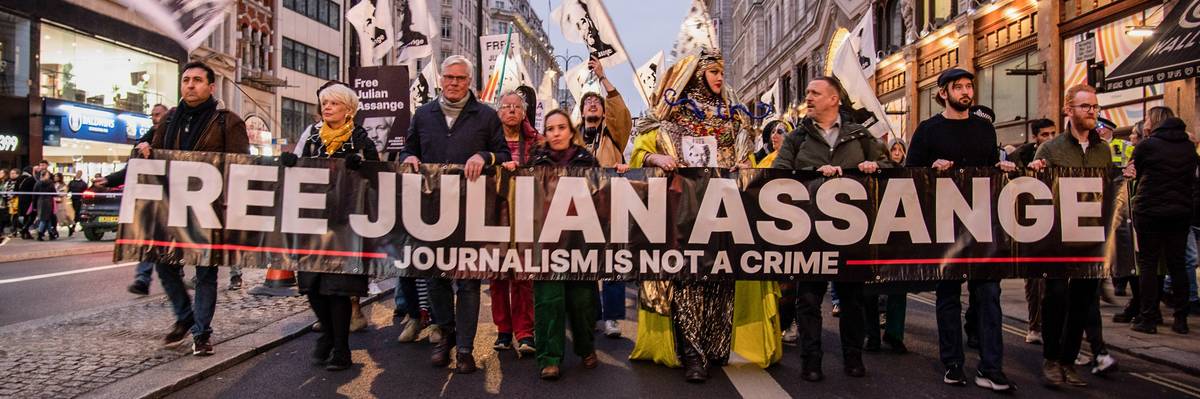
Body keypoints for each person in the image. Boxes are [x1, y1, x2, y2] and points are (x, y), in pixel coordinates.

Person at [628, 47, 774, 383]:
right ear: (697, 76)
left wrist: (743, 165)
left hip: (725, 211)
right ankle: (692, 353)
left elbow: (746, 155)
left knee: (722, 279)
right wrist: (656, 160)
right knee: (690, 280)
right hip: (686, 214)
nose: (720, 77)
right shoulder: (673, 117)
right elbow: (642, 151)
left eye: (722, 72)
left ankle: (715, 345)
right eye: (713, 72)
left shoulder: (734, 115)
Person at [96, 61, 251, 356]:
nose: (190, 85)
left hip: (209, 210)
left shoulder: (228, 121)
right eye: (186, 80)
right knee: (163, 264)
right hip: (171, 208)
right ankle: (185, 316)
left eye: (197, 80)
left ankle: (202, 333)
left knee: (206, 272)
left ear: (211, 87)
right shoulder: (168, 121)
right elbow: (149, 159)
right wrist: (115, 177)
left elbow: (242, 168)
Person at [398, 55, 511, 374]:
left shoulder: (486, 117)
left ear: (469, 82)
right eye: (449, 77)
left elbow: (502, 154)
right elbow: (408, 149)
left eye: (460, 78)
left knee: (469, 283)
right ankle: (443, 339)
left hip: (471, 212)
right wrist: (409, 159)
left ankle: (464, 350)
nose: (454, 83)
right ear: (441, 80)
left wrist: (484, 155)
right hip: (432, 212)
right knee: (436, 280)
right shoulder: (423, 115)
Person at [906, 68, 1017, 392]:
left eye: (969, 86)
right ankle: (953, 363)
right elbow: (910, 174)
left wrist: (1001, 169)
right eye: (959, 87)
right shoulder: (928, 131)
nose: (966, 92)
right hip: (945, 225)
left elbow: (987, 170)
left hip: (982, 225)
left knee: (989, 295)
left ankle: (991, 366)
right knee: (948, 296)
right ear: (943, 93)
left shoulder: (984, 128)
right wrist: (931, 170)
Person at [771, 75, 888, 381]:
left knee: (852, 299)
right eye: (807, 92)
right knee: (808, 299)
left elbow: (891, 167)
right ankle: (811, 361)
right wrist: (811, 173)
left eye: (815, 93)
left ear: (834, 99)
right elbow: (778, 175)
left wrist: (873, 168)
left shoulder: (859, 135)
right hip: (809, 233)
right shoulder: (798, 137)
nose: (807, 97)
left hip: (851, 235)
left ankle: (853, 358)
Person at [283, 81, 379, 371]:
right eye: (325, 103)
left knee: (338, 288)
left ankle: (341, 349)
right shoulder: (310, 135)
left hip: (345, 224)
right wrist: (289, 161)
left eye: (334, 103)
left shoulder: (361, 138)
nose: (327, 107)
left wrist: (360, 163)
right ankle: (328, 333)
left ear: (348, 110)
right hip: (312, 222)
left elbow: (376, 174)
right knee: (312, 285)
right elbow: (296, 165)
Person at [1025, 84, 1113, 386]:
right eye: (1085, 107)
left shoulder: (1103, 149)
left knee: (1084, 302)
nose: (1091, 112)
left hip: (1091, 239)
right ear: (1068, 109)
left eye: (1094, 107)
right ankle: (1051, 359)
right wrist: (1035, 171)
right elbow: (1036, 192)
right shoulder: (1050, 149)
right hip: (1058, 239)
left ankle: (1069, 360)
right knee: (1056, 298)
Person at [529, 108, 602, 380]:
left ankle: (585, 347)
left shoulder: (587, 161)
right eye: (550, 129)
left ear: (571, 132)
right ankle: (549, 358)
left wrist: (617, 173)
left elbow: (602, 195)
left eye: (561, 128)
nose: (556, 133)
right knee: (548, 302)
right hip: (546, 245)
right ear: (545, 134)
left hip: (578, 243)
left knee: (582, 301)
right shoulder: (535, 161)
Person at [1128, 106, 1198, 335]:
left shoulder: (1146, 146)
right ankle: (1181, 319)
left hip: (1150, 210)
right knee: (1177, 264)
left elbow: (1134, 171)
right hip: (1180, 212)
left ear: (1155, 121)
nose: (1145, 121)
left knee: (1148, 263)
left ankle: (1148, 318)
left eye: (1147, 117)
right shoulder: (1189, 148)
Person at [576, 56, 633, 338]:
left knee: (612, 263)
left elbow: (620, 110)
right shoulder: (573, 137)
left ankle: (611, 317)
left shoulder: (613, 134)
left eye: (597, 102)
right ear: (581, 110)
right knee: (583, 264)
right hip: (580, 208)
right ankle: (588, 314)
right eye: (588, 103)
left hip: (610, 204)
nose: (593, 104)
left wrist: (602, 78)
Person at [492, 90, 540, 356]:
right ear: (499, 111)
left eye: (516, 106)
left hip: (525, 215)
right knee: (497, 274)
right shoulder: (487, 140)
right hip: (495, 215)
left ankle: (525, 332)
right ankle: (503, 330)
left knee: (523, 276)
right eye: (506, 106)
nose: (511, 110)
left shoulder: (536, 142)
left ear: (524, 112)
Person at [32, 170, 57, 241]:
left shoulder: (37, 183)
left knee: (45, 218)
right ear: (45, 175)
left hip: (40, 202)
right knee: (46, 219)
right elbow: (54, 193)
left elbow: (34, 195)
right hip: (48, 202)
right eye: (48, 175)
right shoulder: (50, 183)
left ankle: (49, 234)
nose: (49, 176)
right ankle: (41, 234)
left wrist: (34, 205)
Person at [53, 173, 74, 237]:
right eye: (55, 176)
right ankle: (54, 230)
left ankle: (70, 227)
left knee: (63, 217)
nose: (55, 178)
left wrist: (58, 193)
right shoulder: (53, 184)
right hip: (54, 202)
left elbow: (64, 192)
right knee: (55, 217)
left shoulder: (63, 185)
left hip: (61, 203)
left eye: (57, 176)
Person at [67, 170, 87, 235]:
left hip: (79, 200)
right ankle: (71, 226)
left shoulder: (83, 183)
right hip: (72, 200)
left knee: (78, 213)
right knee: (72, 214)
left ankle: (74, 226)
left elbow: (85, 192)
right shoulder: (71, 182)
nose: (78, 174)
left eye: (79, 173)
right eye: (77, 173)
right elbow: (67, 190)